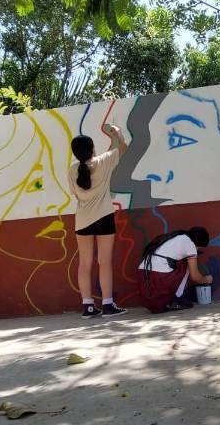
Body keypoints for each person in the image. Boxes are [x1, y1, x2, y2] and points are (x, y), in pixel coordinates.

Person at [68, 125, 129, 319]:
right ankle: (108, 304)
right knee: (104, 262)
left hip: (83, 220)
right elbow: (123, 147)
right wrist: (116, 131)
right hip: (104, 217)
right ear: (93, 148)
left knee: (84, 264)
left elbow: (75, 195)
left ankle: (88, 307)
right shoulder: (103, 162)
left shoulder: (72, 169)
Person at [137, 227, 214, 313]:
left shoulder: (176, 237)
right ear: (198, 243)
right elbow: (195, 276)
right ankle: (177, 299)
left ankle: (168, 301)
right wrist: (206, 280)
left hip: (144, 277)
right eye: (199, 248)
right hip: (158, 278)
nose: (197, 250)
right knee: (187, 263)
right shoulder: (190, 245)